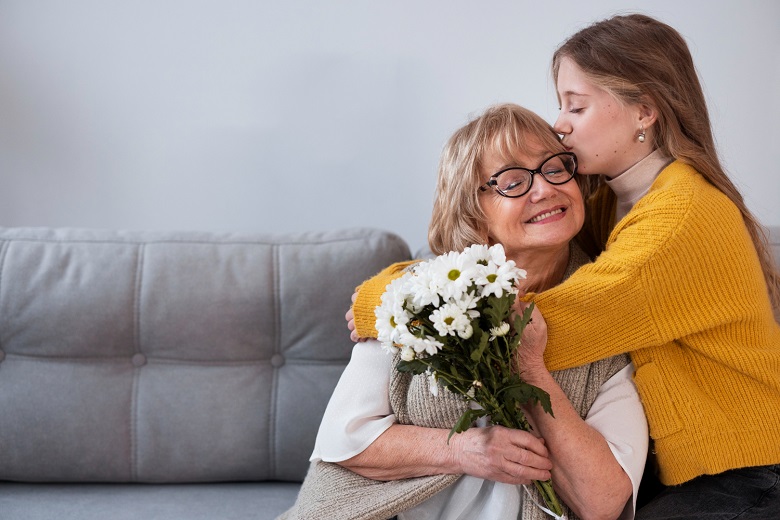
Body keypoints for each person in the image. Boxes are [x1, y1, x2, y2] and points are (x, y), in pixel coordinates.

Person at [348, 14, 780, 520]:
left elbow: (541, 327)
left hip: (747, 472)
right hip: (686, 474)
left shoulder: (681, 214)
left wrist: (385, 305)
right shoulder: (608, 203)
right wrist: (404, 285)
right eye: (560, 105)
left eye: (576, 105)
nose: (560, 124)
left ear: (644, 111)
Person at [280, 103, 648, 520]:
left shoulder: (609, 308)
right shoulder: (418, 298)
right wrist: (462, 450)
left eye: (555, 168)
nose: (545, 189)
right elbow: (344, 439)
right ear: (473, 209)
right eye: (513, 182)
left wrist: (530, 370)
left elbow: (602, 501)